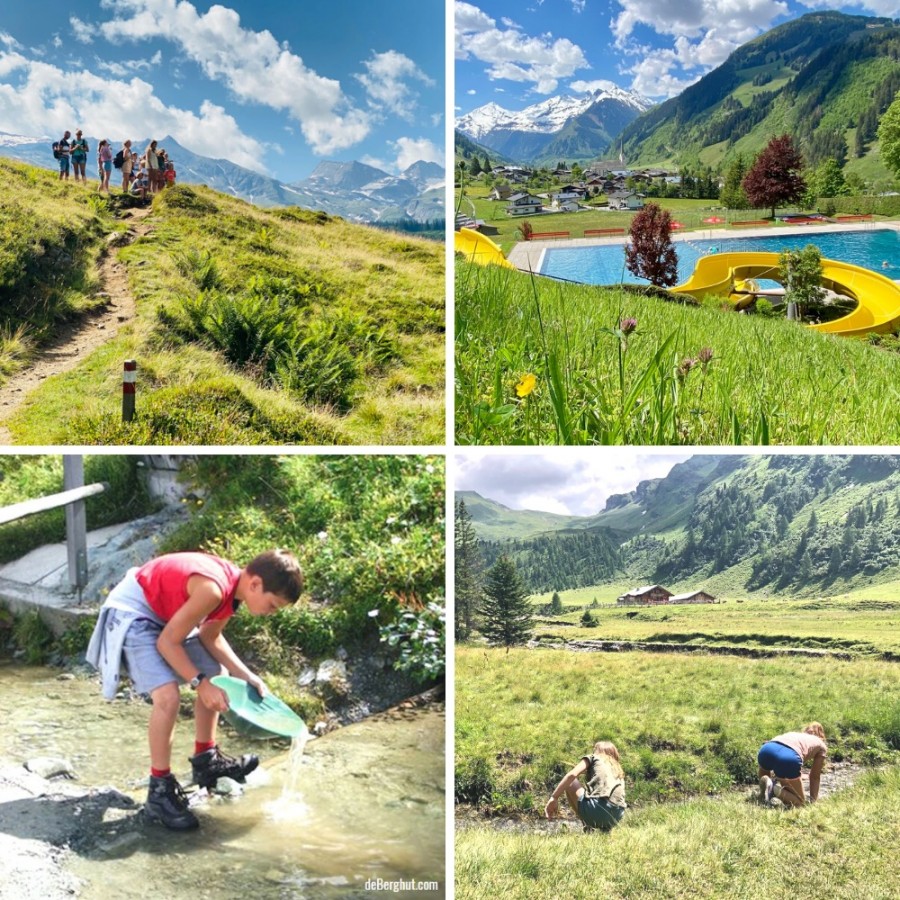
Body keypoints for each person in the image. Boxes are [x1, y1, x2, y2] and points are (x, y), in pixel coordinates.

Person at [86, 549, 304, 830]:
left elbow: (209, 636)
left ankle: (206, 761)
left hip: (163, 619)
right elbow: (167, 642)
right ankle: (160, 790)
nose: (270, 613)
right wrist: (199, 684)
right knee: (168, 696)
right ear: (255, 584)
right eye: (272, 605)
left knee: (218, 675)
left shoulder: (231, 592)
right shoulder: (213, 590)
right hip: (133, 616)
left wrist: (247, 675)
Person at [544, 740, 626, 831]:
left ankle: (588, 827)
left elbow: (572, 775)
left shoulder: (593, 757)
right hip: (617, 815)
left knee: (571, 782)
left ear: (597, 751)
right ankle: (606, 830)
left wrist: (554, 797)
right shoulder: (618, 769)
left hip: (598, 811)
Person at [757, 722, 827, 808]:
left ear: (805, 731)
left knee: (769, 777)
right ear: (821, 736)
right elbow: (814, 777)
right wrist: (813, 800)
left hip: (766, 749)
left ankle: (764, 794)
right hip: (788, 757)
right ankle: (773, 788)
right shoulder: (821, 744)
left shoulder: (795, 734)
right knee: (800, 803)